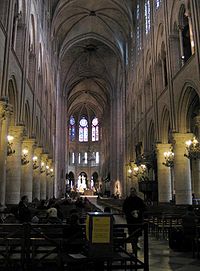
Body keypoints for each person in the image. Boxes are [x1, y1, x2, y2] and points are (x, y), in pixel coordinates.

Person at [122, 187, 146, 253]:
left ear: (135, 192)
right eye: (131, 191)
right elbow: (124, 208)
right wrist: (131, 212)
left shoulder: (139, 200)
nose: (133, 193)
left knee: (137, 233)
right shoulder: (127, 200)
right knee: (132, 233)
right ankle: (133, 245)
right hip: (130, 220)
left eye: (134, 191)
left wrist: (138, 211)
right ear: (130, 192)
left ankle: (135, 244)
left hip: (138, 219)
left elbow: (144, 208)